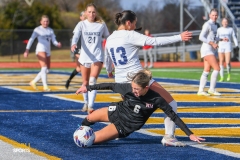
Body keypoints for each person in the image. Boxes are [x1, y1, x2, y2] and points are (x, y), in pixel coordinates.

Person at [102, 10, 192, 147]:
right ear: (128, 23)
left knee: (128, 111)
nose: (134, 26)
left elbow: (107, 59)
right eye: (134, 23)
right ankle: (169, 136)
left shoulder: (110, 38)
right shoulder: (130, 34)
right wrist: (179, 37)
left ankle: (114, 133)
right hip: (137, 79)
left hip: (120, 82)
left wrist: (109, 71)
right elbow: (155, 41)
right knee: (171, 104)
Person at [76, 69, 205, 145]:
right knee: (89, 118)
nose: (134, 91)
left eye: (137, 89)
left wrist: (190, 134)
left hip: (125, 126)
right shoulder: (128, 88)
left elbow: (173, 116)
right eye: (133, 88)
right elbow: (109, 85)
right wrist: (87, 88)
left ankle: (86, 137)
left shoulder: (156, 99)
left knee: (90, 139)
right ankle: (80, 131)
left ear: (146, 88)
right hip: (118, 111)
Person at [71, 3, 110, 113]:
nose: (91, 14)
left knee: (93, 80)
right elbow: (76, 36)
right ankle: (86, 102)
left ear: (96, 13)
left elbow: (108, 37)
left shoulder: (101, 24)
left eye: (93, 12)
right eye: (89, 12)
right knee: (85, 82)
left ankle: (91, 106)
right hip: (84, 57)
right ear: (85, 13)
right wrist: (73, 44)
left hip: (97, 56)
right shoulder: (81, 24)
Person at [24, 15, 62, 91]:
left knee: (47, 70)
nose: (45, 23)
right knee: (44, 67)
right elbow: (31, 39)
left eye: (47, 21)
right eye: (44, 21)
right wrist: (27, 50)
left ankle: (33, 82)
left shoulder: (50, 30)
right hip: (40, 49)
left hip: (48, 50)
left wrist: (57, 44)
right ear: (41, 22)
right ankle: (45, 86)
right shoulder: (37, 30)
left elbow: (54, 40)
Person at [197, 9, 228, 96]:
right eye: (213, 15)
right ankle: (212, 89)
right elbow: (201, 37)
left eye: (216, 15)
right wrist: (212, 43)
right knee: (217, 68)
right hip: (206, 49)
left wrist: (221, 39)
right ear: (209, 15)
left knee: (207, 70)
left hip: (210, 49)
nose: (214, 17)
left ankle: (200, 90)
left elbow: (213, 38)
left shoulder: (215, 25)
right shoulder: (207, 24)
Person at [65, 11, 85, 89]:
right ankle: (70, 80)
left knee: (80, 68)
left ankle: (85, 83)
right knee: (80, 68)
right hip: (79, 48)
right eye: (83, 16)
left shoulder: (90, 25)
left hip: (87, 49)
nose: (85, 17)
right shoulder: (79, 25)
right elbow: (75, 36)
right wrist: (74, 45)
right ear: (80, 17)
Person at [217, 18, 238, 82]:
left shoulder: (230, 29)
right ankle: (222, 77)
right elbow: (216, 38)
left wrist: (236, 45)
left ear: (228, 22)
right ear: (222, 22)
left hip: (228, 46)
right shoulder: (219, 29)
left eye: (226, 22)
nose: (225, 23)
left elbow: (234, 37)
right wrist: (214, 44)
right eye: (224, 22)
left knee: (228, 62)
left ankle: (229, 73)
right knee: (221, 61)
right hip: (220, 46)